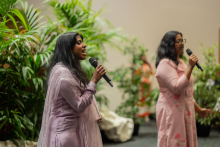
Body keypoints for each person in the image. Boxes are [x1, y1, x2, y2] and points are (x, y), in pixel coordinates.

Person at [37, 32, 105, 147]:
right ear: (68, 48)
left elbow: (80, 97)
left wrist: (93, 113)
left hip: (73, 131)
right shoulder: (62, 75)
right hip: (64, 135)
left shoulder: (71, 71)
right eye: (79, 43)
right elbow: (79, 105)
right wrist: (93, 81)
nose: (84, 45)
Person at [155, 31, 210, 147]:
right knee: (174, 141)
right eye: (178, 41)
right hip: (172, 111)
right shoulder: (165, 64)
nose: (181, 43)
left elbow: (186, 93)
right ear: (169, 44)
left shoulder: (181, 63)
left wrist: (198, 109)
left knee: (187, 139)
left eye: (182, 40)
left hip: (185, 110)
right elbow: (177, 87)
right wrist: (190, 67)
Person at [136, 54, 154, 120]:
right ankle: (140, 115)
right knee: (141, 99)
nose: (144, 58)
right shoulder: (139, 66)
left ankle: (147, 115)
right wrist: (143, 80)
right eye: (142, 56)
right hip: (142, 85)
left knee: (147, 99)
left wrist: (149, 80)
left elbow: (152, 73)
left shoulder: (148, 65)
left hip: (148, 85)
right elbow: (137, 75)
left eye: (144, 56)